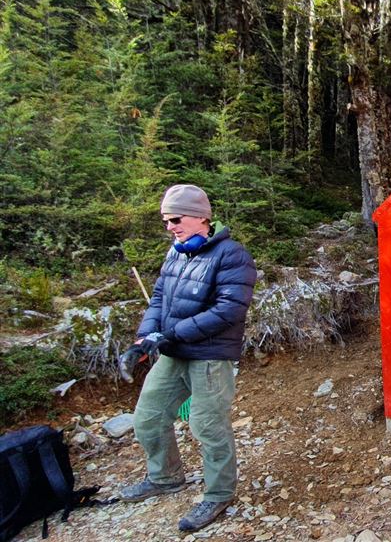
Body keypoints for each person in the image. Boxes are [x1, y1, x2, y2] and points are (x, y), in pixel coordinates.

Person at [118, 184, 257, 532]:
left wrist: (170, 335)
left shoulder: (232, 255)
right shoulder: (176, 252)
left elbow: (228, 311)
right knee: (148, 417)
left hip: (209, 356)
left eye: (175, 219)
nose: (169, 227)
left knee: (208, 426)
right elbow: (159, 299)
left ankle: (219, 493)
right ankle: (165, 477)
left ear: (201, 217)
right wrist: (146, 337)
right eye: (166, 220)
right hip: (172, 351)